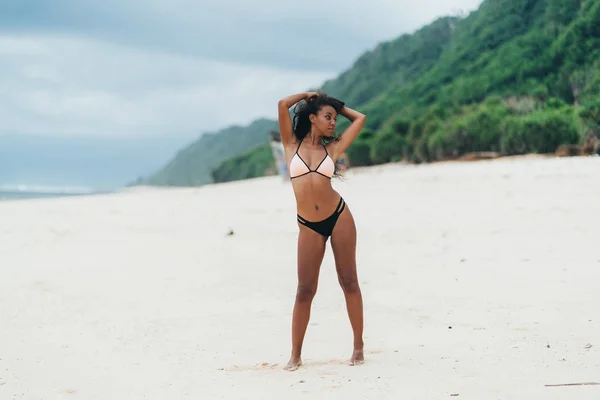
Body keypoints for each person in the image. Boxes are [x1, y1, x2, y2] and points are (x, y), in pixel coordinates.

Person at [277, 90, 367, 371]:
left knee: (349, 281)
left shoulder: (333, 148)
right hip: (308, 225)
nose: (333, 123)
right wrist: (307, 96)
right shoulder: (291, 144)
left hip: (338, 216)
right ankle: (295, 354)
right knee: (305, 289)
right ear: (312, 118)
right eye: (327, 118)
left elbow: (360, 118)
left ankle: (358, 346)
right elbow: (282, 105)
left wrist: (338, 107)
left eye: (335, 119)